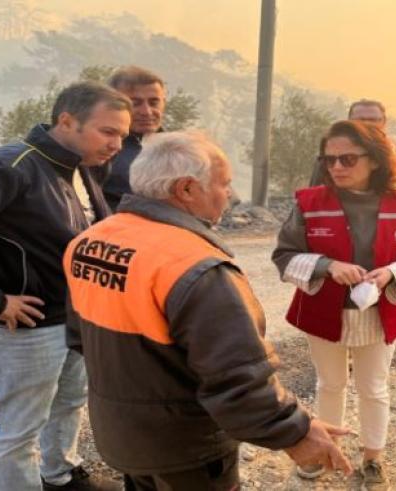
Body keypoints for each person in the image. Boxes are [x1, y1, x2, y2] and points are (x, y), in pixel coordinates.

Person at [63, 130, 353, 490]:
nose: (230, 194)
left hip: (122, 435)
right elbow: (239, 379)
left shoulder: (89, 242)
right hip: (186, 449)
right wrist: (296, 433)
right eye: (224, 184)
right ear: (186, 189)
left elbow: (80, 338)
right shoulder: (197, 268)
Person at [0, 81, 131, 490]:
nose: (117, 144)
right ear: (67, 121)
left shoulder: (81, 166)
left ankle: (60, 477)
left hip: (73, 317)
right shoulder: (10, 165)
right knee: (19, 432)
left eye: (122, 134)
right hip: (26, 327)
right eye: (108, 131)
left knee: (68, 403)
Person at [273, 120, 396, 490]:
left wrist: (391, 273)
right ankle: (324, 452)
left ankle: (373, 459)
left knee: (373, 386)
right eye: (329, 159)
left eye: (347, 159)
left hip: (380, 313)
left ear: (375, 160)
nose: (337, 167)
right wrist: (327, 266)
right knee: (330, 383)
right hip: (323, 313)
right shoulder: (309, 203)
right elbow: (284, 255)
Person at [98, 65, 167, 211]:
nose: (147, 112)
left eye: (154, 103)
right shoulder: (99, 151)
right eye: (135, 103)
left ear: (164, 103)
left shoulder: (177, 149)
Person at [309, 99, 396, 186]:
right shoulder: (332, 156)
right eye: (360, 120)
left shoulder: (394, 156)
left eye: (373, 120)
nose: (366, 124)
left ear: (384, 122)